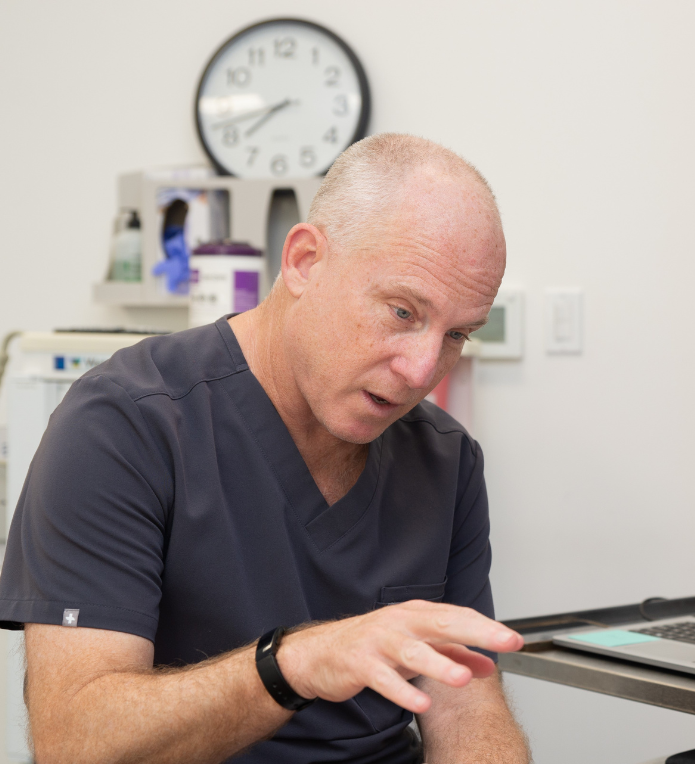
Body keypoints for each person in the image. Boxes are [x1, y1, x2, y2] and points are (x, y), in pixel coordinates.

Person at [0, 134, 530, 764]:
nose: (423, 372)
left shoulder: (445, 460)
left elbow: (466, 700)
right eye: (401, 312)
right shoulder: (124, 424)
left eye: (456, 334)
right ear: (304, 261)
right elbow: (75, 744)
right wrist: (294, 665)